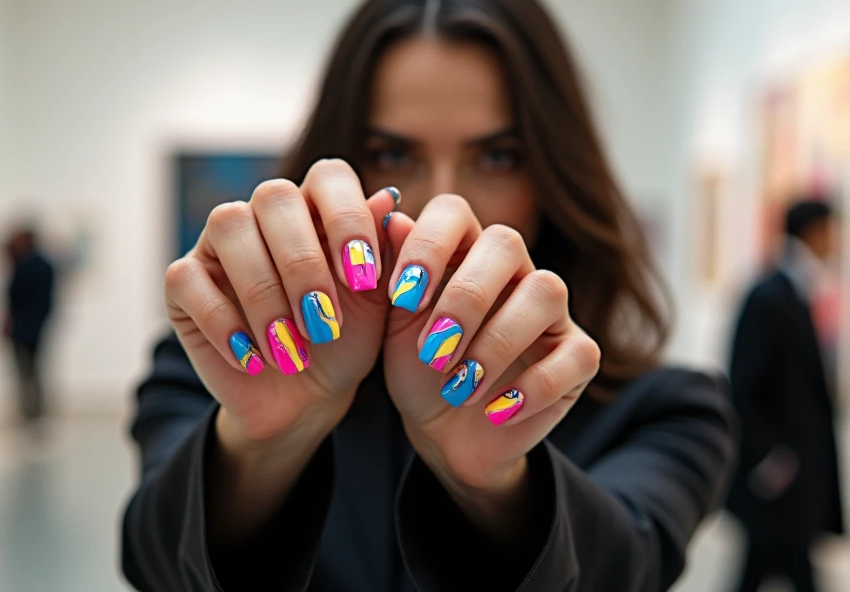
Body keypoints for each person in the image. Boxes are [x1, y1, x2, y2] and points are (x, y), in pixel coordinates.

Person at [122, 1, 736, 590]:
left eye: (497, 157)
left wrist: (494, 485)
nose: (445, 204)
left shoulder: (668, 410)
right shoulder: (215, 363)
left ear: (553, 176)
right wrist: (263, 444)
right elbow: (153, 563)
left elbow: (625, 570)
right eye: (393, 154)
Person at [726, 200, 844, 592]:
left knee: (771, 565)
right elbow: (743, 384)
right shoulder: (770, 297)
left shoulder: (795, 292)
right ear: (813, 232)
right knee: (782, 564)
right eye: (831, 231)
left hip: (790, 472)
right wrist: (771, 457)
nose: (836, 241)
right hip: (780, 475)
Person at [3, 227, 56, 424]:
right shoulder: (39, 265)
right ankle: (32, 414)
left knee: (29, 371)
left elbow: (15, 298)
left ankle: (33, 414)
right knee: (30, 371)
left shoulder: (27, 266)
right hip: (29, 328)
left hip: (26, 328)